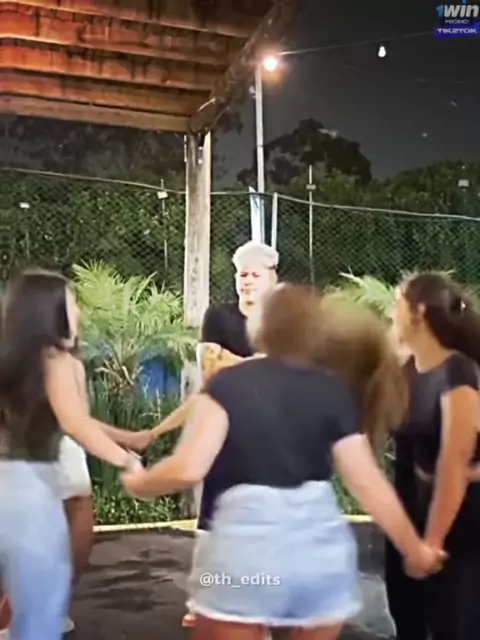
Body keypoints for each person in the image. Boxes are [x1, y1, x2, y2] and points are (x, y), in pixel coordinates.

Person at [122, 284, 445, 640]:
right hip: (318, 557)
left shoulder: (229, 383)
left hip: (246, 552)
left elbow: (188, 468)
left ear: (259, 329)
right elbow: (368, 484)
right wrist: (414, 548)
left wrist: (141, 483)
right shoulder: (331, 390)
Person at [0, 269, 143, 640]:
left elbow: (74, 419)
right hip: (31, 490)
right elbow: (75, 423)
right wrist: (126, 461)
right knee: (40, 611)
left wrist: (127, 437)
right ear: (50, 312)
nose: (78, 311)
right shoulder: (56, 361)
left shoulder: (16, 363)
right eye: (71, 302)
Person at [152, 240, 279, 627]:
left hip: (270, 434)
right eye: (241, 274)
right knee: (213, 516)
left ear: (272, 278)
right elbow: (211, 369)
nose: (246, 280)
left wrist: (236, 363)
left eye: (254, 274)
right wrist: (261, 364)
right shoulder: (219, 317)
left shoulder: (281, 322)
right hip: (222, 429)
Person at [386, 272, 480, 640]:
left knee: (452, 625)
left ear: (419, 312)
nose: (391, 312)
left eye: (397, 303)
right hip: (411, 514)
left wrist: (432, 542)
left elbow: (454, 461)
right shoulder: (407, 369)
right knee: (408, 620)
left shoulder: (458, 371)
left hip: (458, 526)